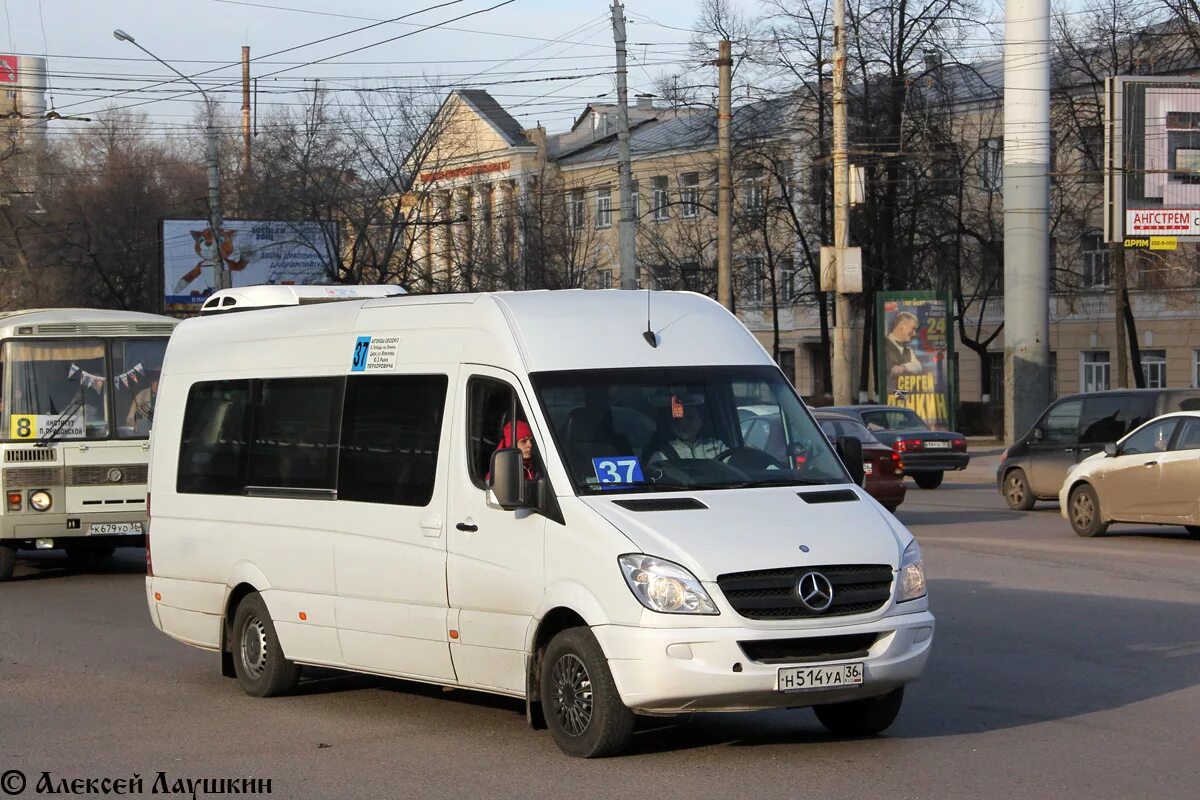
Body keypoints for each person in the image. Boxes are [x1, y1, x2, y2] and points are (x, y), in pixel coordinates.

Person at [648, 393, 727, 463]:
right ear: (670, 423)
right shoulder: (661, 456)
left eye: (690, 418)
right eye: (677, 419)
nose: (683, 423)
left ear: (701, 421)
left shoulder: (717, 447)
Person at [884, 311, 925, 394]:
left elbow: (919, 367)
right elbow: (892, 372)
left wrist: (903, 367)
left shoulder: (908, 350)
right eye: (912, 328)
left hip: (904, 397)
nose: (913, 334)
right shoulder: (884, 344)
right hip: (890, 398)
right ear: (902, 326)